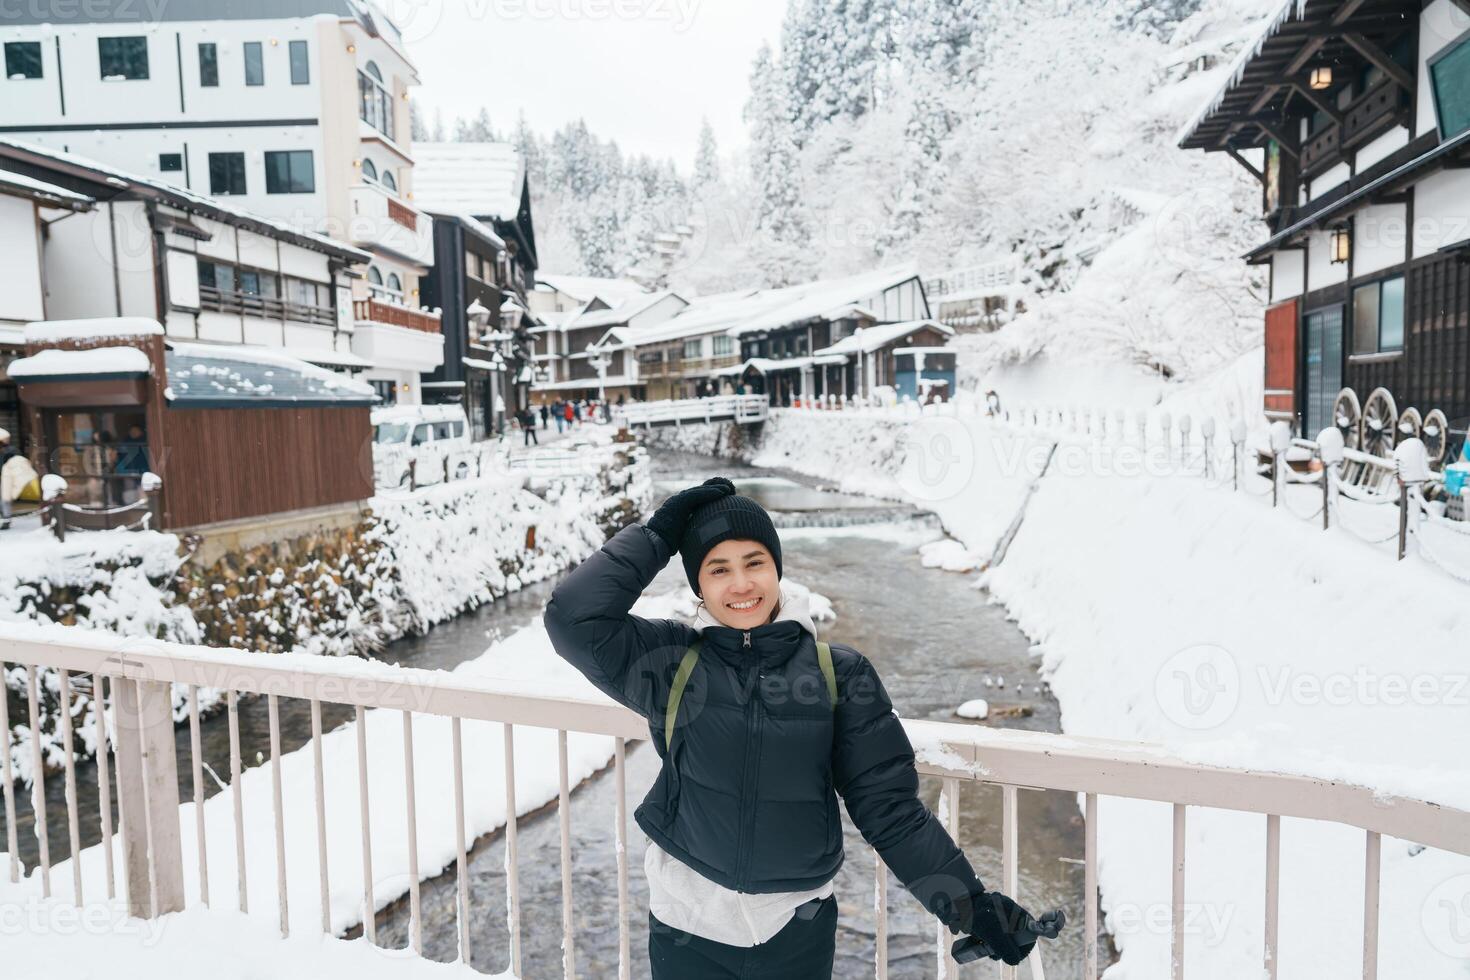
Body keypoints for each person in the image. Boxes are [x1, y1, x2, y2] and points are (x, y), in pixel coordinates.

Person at [544, 479, 1037, 978]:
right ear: (698, 586)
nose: (741, 584)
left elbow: (890, 811)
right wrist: (657, 537)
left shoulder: (839, 675)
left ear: (777, 569)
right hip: (685, 923)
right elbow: (573, 619)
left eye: (754, 562)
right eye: (719, 569)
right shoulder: (671, 663)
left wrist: (970, 906)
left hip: (794, 931)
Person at [0, 428, 18, 530]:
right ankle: (5, 518)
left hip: (6, 477)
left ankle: (6, 520)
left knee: (5, 499)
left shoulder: (10, 450)